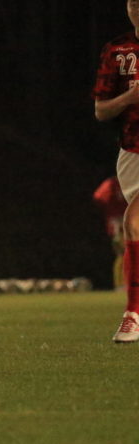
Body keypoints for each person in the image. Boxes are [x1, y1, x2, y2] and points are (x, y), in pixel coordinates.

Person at [93, 0, 139, 343]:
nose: (137, 7)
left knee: (133, 222)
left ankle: (132, 315)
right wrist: (129, 98)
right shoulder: (117, 50)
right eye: (133, 2)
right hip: (132, 151)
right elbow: (101, 110)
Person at [92, 176, 128, 289]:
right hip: (117, 224)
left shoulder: (132, 181)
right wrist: (112, 210)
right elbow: (98, 197)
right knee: (122, 254)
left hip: (130, 222)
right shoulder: (111, 184)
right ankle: (120, 284)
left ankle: (128, 282)